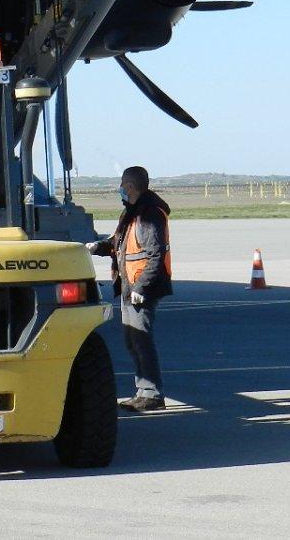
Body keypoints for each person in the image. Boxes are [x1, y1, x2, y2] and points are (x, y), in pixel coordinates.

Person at [87, 166, 172, 412]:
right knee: (133, 341)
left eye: (122, 183)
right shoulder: (133, 212)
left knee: (141, 341)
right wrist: (99, 247)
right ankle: (144, 391)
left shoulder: (149, 214)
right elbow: (119, 244)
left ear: (130, 186)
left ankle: (152, 395)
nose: (120, 188)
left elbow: (155, 254)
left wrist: (141, 286)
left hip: (139, 289)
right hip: (128, 287)